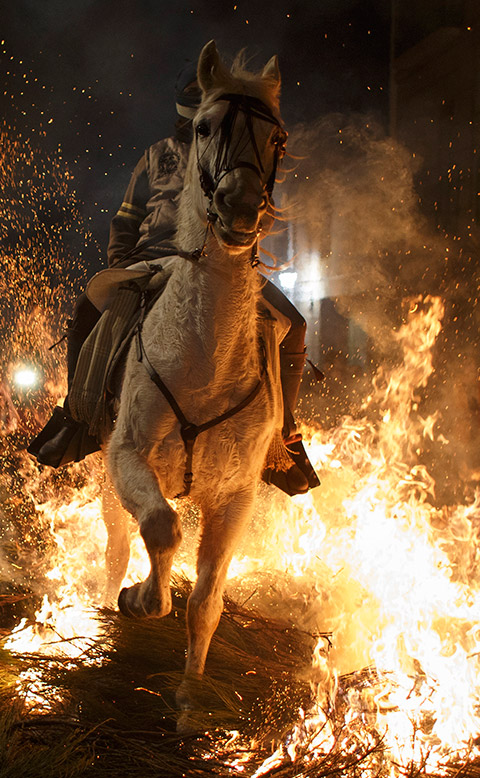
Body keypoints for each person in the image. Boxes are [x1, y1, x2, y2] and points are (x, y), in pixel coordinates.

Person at [30, 69, 318, 494]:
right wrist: (123, 262)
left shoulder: (234, 149)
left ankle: (282, 434)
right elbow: (127, 217)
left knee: (293, 325)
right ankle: (80, 413)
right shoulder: (156, 155)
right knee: (89, 309)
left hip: (222, 263)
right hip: (151, 260)